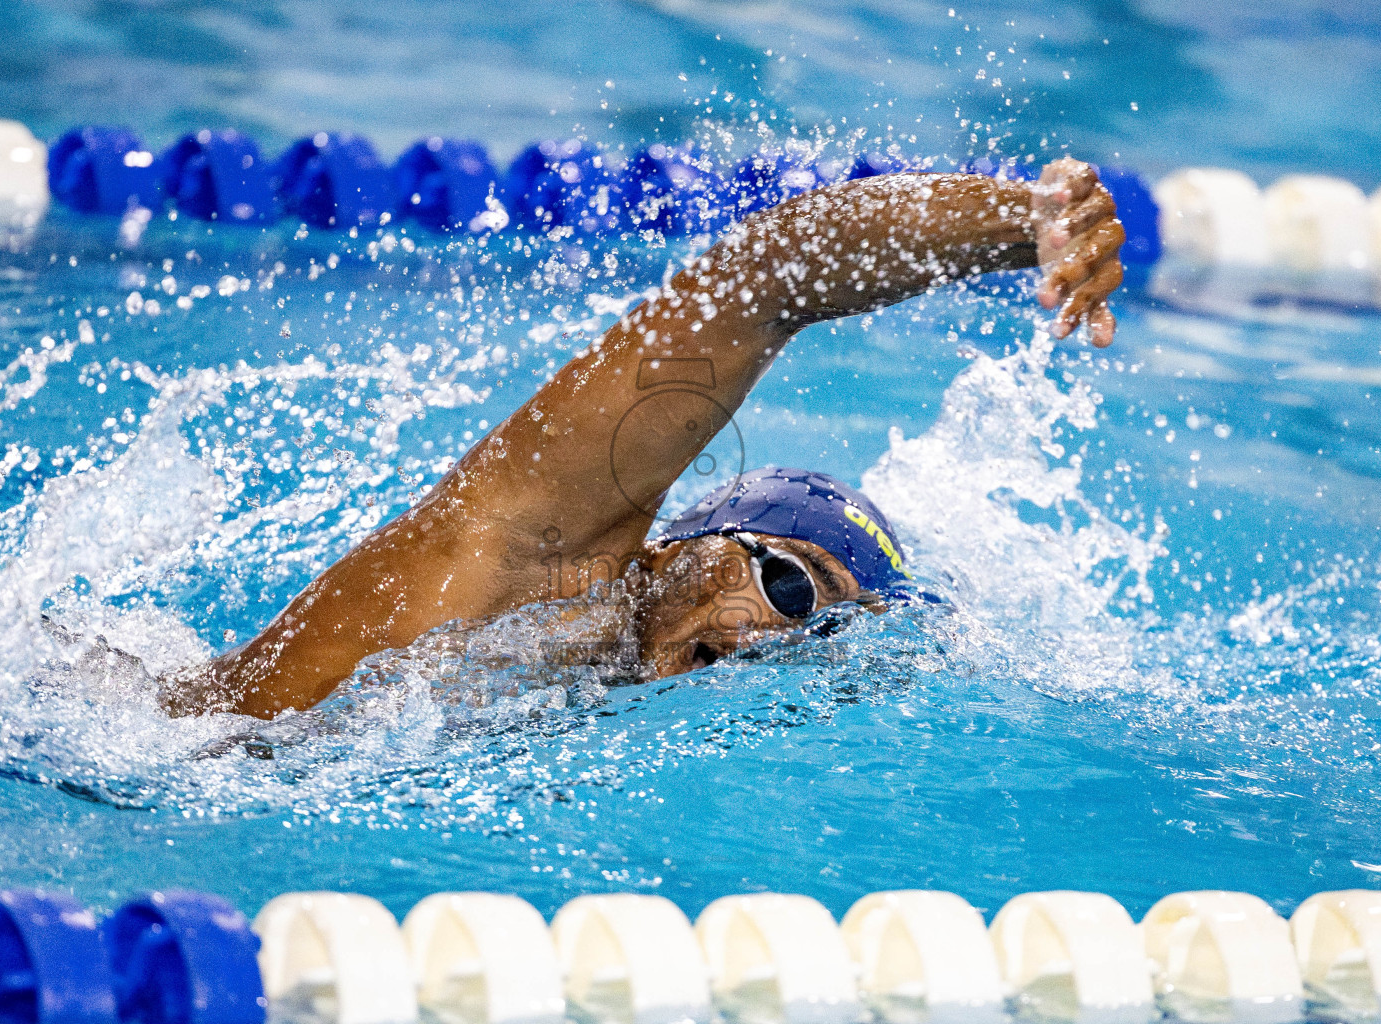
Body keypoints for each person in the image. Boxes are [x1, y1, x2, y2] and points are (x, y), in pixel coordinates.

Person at [164, 157, 1124, 719]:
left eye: (823, 640)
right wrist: (1017, 222)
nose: (777, 646)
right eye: (791, 586)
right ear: (681, 548)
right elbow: (774, 273)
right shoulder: (542, 568)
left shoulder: (601, 712)